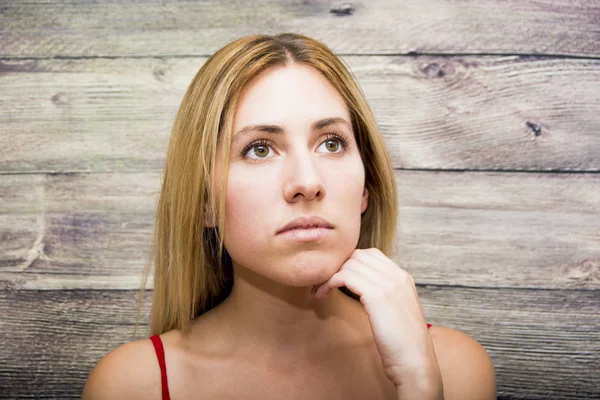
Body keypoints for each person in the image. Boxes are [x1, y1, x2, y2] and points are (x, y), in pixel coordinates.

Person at [82, 33, 496, 399]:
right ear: (205, 201)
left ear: (365, 188)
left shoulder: (455, 370)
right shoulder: (133, 385)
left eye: (331, 144)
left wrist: (420, 385)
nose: (307, 182)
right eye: (259, 149)